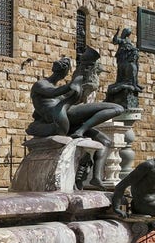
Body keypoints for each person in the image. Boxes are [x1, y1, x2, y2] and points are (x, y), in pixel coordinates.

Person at [26, 55, 123, 188]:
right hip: (65, 115)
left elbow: (67, 96)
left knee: (105, 141)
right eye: (65, 73)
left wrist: (80, 86)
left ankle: (96, 177)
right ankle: (81, 130)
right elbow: (52, 92)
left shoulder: (56, 88)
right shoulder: (41, 84)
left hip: (69, 118)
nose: (65, 76)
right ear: (61, 72)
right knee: (117, 108)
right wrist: (72, 84)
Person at [111, 142, 155, 234]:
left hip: (154, 204)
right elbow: (121, 185)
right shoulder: (149, 166)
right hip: (141, 205)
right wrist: (116, 208)